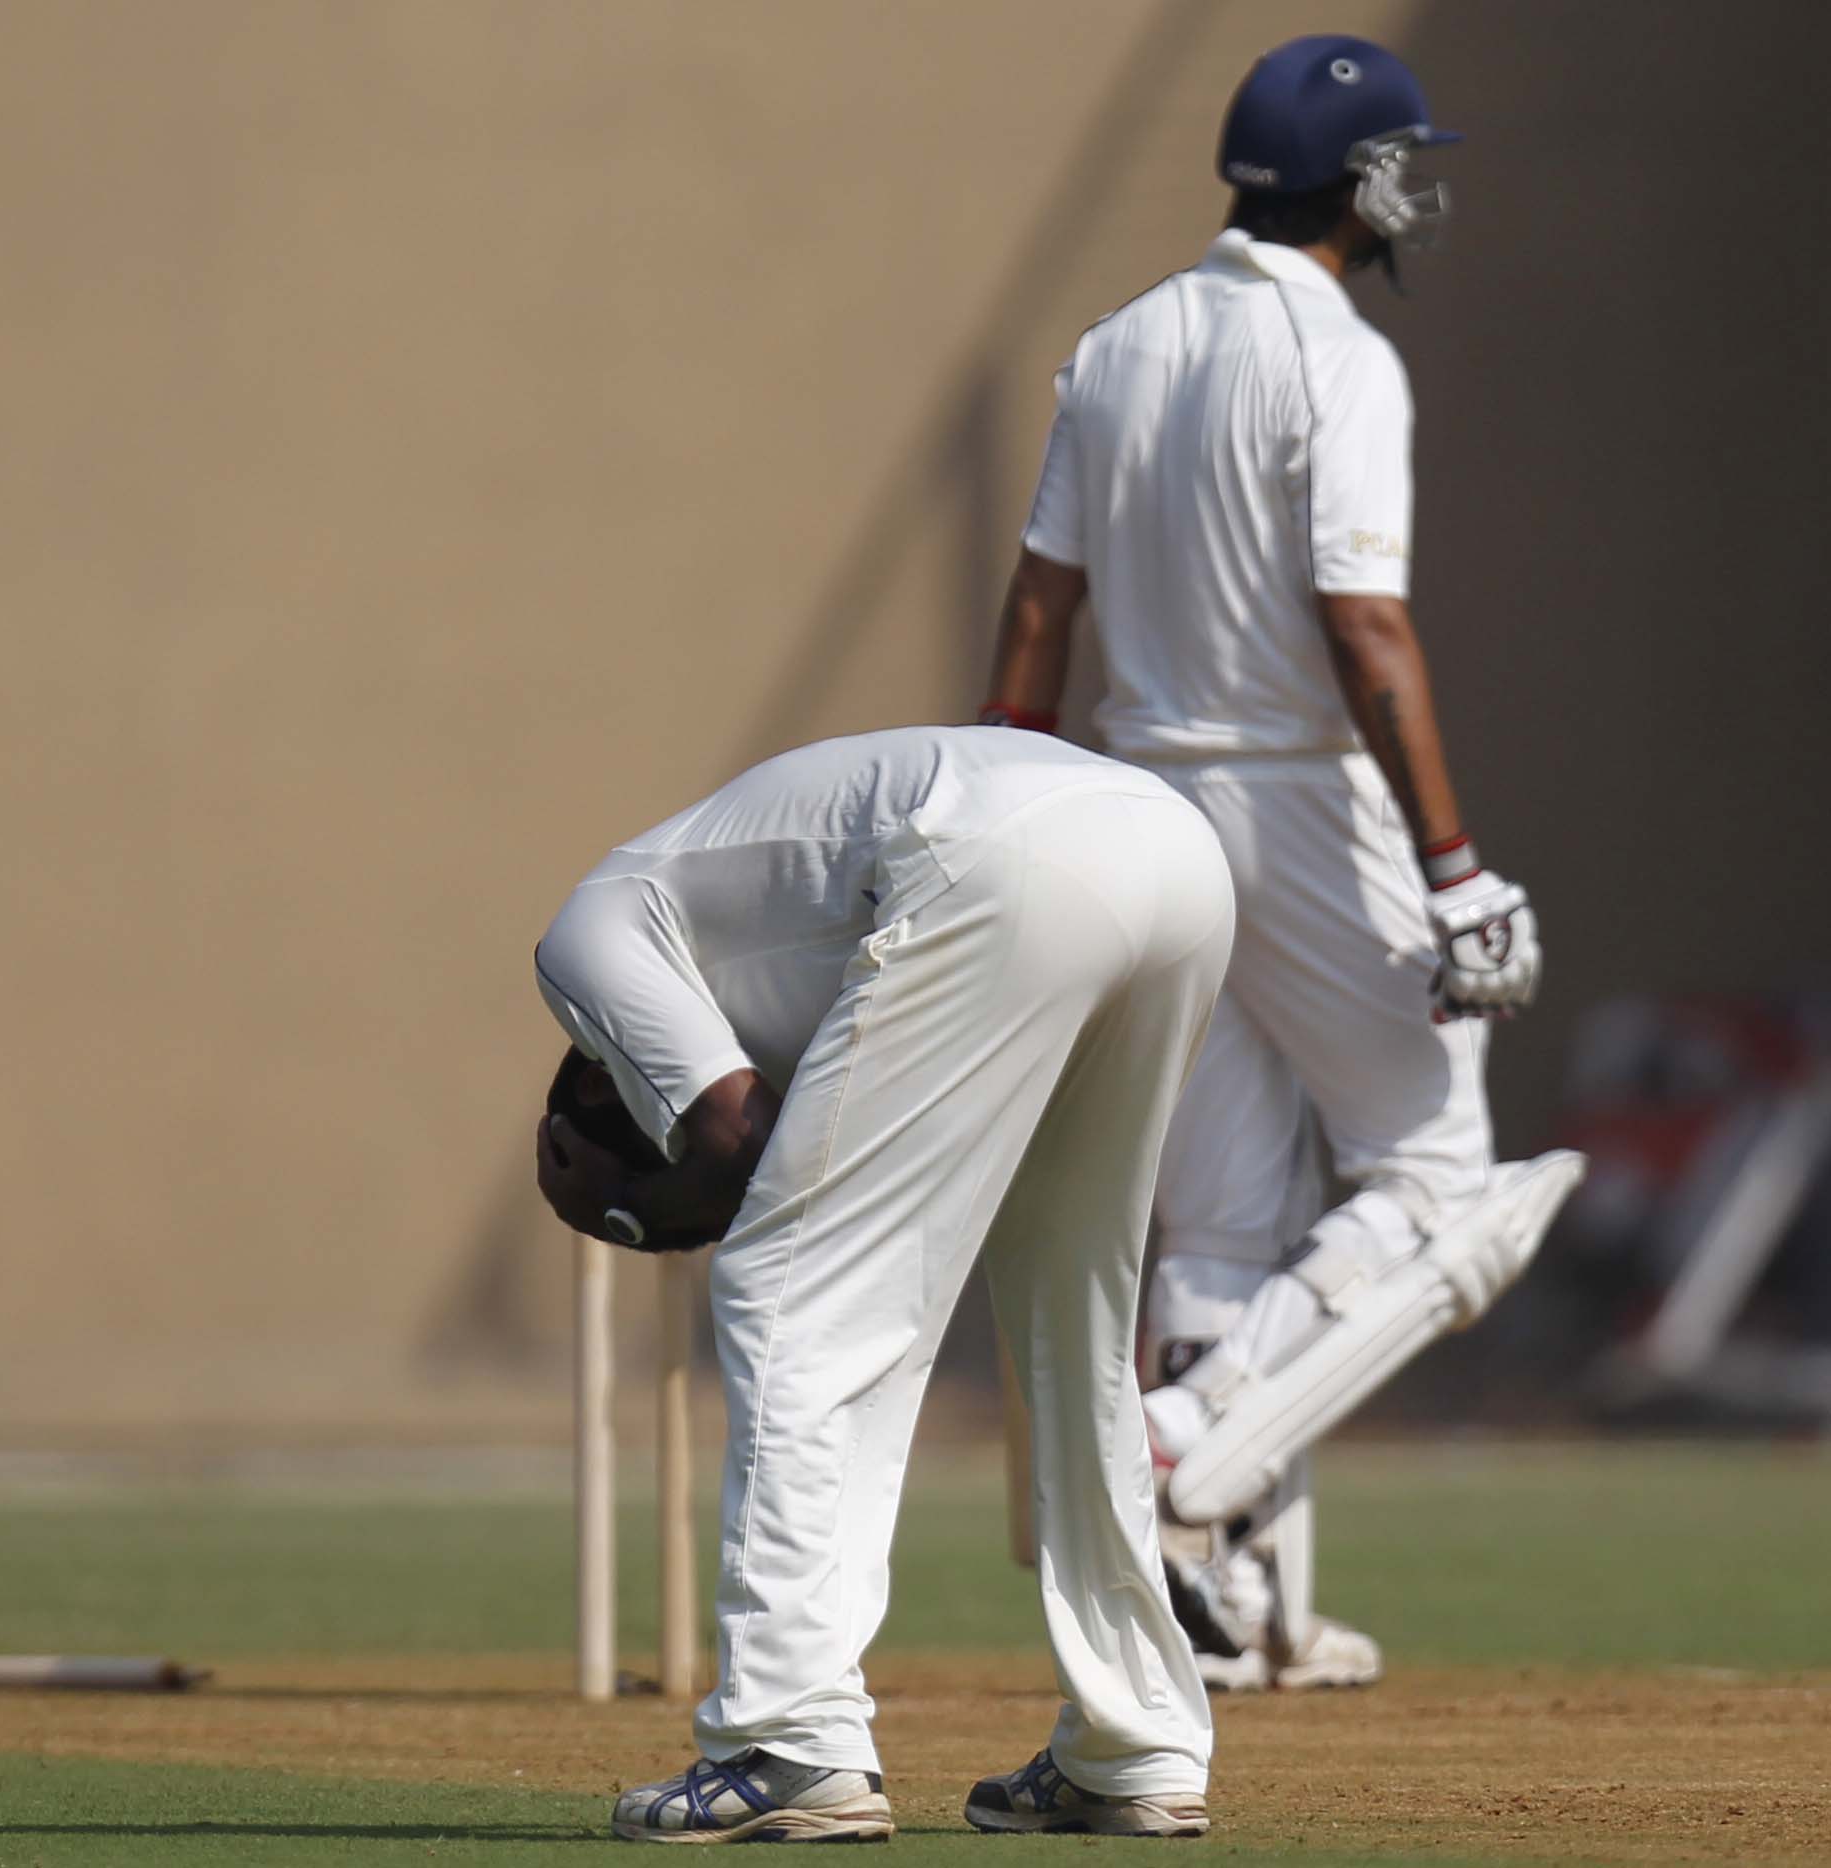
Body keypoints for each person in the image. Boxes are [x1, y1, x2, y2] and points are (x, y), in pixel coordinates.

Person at [978, 35, 1575, 1691]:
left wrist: (1007, 797)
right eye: (1405, 160)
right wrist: (1452, 868)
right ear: (1361, 180)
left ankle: (1224, 1612)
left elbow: (1040, 611)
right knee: (1443, 1179)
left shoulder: (1117, 345)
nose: (1419, 187)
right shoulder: (1342, 358)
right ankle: (1174, 1448)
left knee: (1223, 1215)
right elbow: (1365, 623)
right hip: (1300, 798)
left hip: (1141, 798)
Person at [533, 724, 1231, 1841]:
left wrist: (694, 1203)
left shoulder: (580, 946)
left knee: (783, 1284)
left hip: (1001, 859)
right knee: (1071, 1320)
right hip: (1174, 853)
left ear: (596, 1094)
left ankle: (787, 1737)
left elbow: (733, 1133)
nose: (674, 1236)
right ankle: (1134, 1739)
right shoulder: (742, 953)